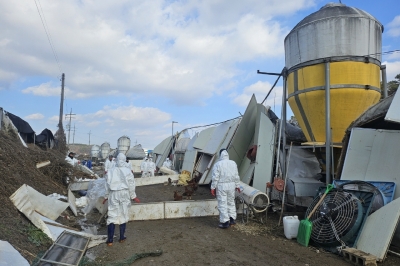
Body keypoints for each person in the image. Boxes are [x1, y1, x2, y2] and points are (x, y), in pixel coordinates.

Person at [103, 153, 140, 246]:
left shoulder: (111, 171)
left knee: (112, 215)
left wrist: (106, 197)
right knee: (123, 214)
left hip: (113, 193)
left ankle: (110, 240)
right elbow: (131, 184)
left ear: (116, 160)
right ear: (124, 160)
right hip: (124, 193)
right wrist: (133, 196)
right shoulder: (128, 171)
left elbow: (107, 185)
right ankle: (122, 237)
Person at [210, 149, 241, 229]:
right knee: (231, 202)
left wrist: (213, 187)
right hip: (231, 185)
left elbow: (215, 177)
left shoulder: (218, 164)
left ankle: (225, 222)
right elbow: (236, 175)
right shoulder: (233, 163)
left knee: (222, 203)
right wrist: (237, 185)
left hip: (221, 186)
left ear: (220, 155)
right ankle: (232, 220)